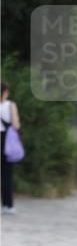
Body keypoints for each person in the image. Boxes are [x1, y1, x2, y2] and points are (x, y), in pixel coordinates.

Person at [1, 82, 21, 214]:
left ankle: (4, 205)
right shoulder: (10, 105)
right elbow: (16, 125)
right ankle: (9, 205)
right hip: (6, 141)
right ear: (6, 91)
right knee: (7, 174)